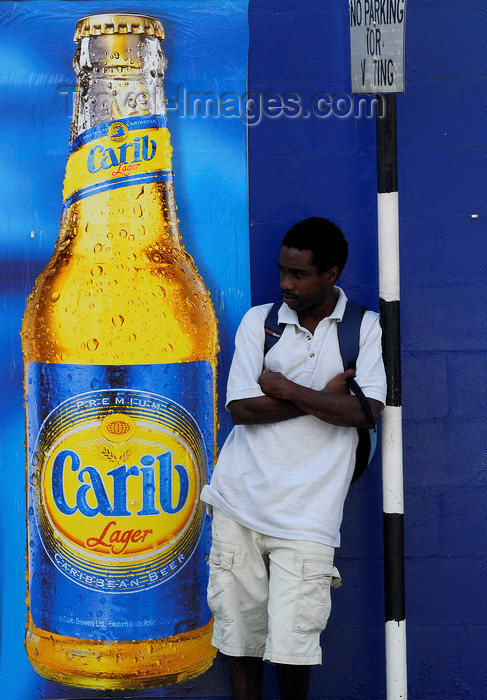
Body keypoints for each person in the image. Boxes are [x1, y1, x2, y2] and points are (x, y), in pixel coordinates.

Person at [201, 217, 386, 700]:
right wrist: (319, 398)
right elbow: (241, 409)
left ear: (332, 273)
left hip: (308, 516)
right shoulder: (258, 323)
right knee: (238, 636)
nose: (286, 283)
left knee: (293, 644)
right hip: (239, 501)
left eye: (299, 274)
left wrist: (284, 388)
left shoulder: (363, 328)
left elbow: (365, 412)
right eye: (283, 271)